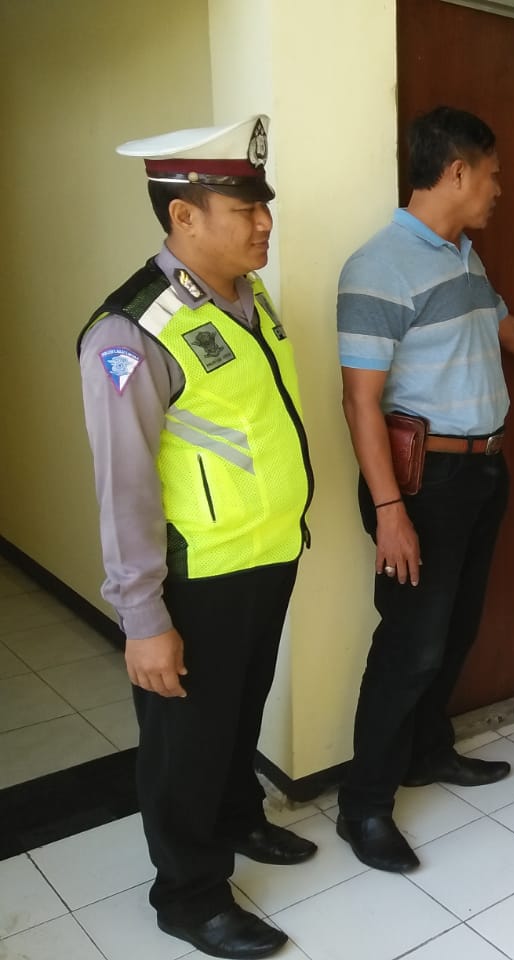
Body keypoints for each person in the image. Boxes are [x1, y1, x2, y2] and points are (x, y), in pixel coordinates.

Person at [78, 116, 314, 960]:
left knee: (238, 713)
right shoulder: (131, 332)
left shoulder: (250, 298)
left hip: (266, 555)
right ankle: (188, 894)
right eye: (245, 207)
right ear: (184, 215)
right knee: (186, 744)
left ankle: (239, 818)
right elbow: (124, 488)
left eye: (263, 204)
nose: (264, 222)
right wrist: (142, 617)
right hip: (196, 576)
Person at [335, 106, 514, 872]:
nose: (499, 189)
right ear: (456, 172)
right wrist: (390, 511)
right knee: (410, 646)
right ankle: (363, 807)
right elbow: (359, 401)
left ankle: (426, 751)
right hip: (422, 482)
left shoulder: (463, 256)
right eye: (492, 174)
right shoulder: (378, 266)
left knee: (455, 632)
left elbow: (501, 325)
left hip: (482, 470)